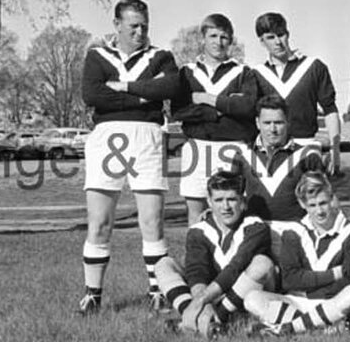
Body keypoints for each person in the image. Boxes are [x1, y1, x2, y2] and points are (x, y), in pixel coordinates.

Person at [79, 0, 178, 315]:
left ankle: (157, 292)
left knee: (151, 221)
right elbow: (92, 95)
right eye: (133, 26)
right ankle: (92, 296)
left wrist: (121, 87)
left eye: (144, 26)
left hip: (148, 137)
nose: (140, 32)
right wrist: (144, 93)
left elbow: (170, 88)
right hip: (106, 138)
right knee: (100, 222)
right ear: (117, 24)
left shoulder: (161, 56)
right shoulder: (97, 55)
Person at [109, 13, 257, 225]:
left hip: (234, 148)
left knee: (234, 213)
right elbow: (179, 112)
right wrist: (223, 108)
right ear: (203, 38)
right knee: (196, 214)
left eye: (224, 37)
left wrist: (206, 100)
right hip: (197, 147)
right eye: (213, 36)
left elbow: (247, 108)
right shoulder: (187, 73)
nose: (218, 42)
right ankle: (197, 248)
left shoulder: (244, 72)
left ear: (231, 40)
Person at [241, 171, 350, 335]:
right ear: (302, 204)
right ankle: (317, 327)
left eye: (323, 203)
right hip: (297, 302)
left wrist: (307, 285)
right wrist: (333, 274)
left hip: (332, 301)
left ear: (332, 199)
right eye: (312, 205)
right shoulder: (293, 231)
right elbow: (289, 280)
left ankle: (287, 328)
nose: (319, 211)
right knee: (252, 298)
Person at [153, 170, 274, 336]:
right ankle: (194, 316)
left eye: (232, 199)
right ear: (209, 202)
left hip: (245, 293)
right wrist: (203, 303)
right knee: (163, 264)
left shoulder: (256, 227)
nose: (226, 207)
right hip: (212, 294)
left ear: (242, 201)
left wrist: (201, 300)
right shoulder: (198, 230)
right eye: (219, 200)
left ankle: (216, 318)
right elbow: (197, 273)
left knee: (262, 263)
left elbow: (236, 268)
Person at [228, 95, 326, 258]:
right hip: (256, 232)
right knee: (258, 269)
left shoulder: (308, 156)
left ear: (288, 122)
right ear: (257, 123)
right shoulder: (242, 154)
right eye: (267, 123)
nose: (273, 129)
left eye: (278, 123)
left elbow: (324, 200)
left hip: (295, 232)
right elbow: (230, 195)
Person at [252, 12, 342, 174]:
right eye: (271, 37)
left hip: (307, 147)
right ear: (262, 41)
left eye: (281, 35)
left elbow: (330, 110)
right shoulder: (256, 74)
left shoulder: (313, 67)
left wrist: (335, 150)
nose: (278, 42)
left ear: (288, 34)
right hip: (272, 151)